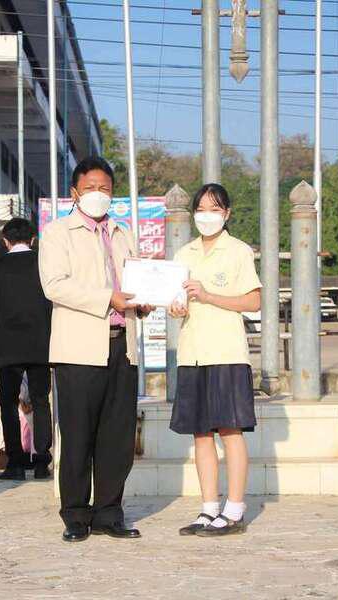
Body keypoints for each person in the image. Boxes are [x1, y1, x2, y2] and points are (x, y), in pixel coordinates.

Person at [39, 156, 153, 543]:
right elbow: (54, 285)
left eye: (105, 188)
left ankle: (109, 512)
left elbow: (135, 282)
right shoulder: (58, 233)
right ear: (74, 192)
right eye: (90, 188)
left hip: (122, 346)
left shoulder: (123, 233)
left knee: (117, 436)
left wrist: (143, 301)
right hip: (78, 350)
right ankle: (75, 514)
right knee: (77, 435)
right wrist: (109, 298)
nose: (98, 194)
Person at [168, 183, 262, 537]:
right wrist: (176, 307)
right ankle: (208, 508)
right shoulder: (184, 254)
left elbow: (253, 301)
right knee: (201, 434)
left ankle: (234, 509)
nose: (207, 216)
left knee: (230, 430)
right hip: (192, 353)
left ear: (227, 214)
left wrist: (208, 295)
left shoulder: (238, 251)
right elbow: (175, 302)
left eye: (215, 209)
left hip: (226, 352)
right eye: (201, 209)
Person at [0, 217, 53, 481]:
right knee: (41, 401)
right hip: (41, 344)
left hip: (8, 345)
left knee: (8, 403)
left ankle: (15, 463)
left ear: (5, 241)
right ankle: (41, 461)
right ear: (33, 239)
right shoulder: (44, 264)